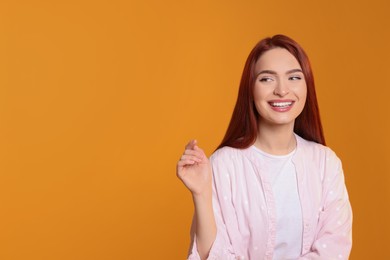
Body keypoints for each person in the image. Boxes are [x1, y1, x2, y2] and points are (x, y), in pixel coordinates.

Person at [176, 34, 352, 260]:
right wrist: (201, 193)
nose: (282, 90)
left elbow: (334, 249)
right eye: (267, 79)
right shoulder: (223, 164)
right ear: (250, 89)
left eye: (294, 78)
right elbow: (212, 255)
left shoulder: (325, 163)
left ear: (307, 85)